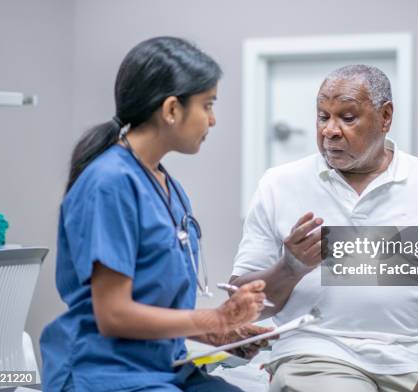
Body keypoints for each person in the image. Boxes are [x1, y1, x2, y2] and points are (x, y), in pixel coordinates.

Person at [230, 65, 418, 392]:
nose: (329, 131)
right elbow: (239, 308)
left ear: (385, 117)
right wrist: (288, 268)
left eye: (347, 118)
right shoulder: (279, 186)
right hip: (319, 353)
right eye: (323, 117)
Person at [40, 36, 270, 392]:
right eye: (207, 105)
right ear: (172, 110)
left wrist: (222, 331)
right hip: (105, 373)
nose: (213, 120)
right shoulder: (110, 183)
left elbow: (156, 302)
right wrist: (215, 317)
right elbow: (114, 314)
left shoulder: (166, 185)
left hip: (164, 366)